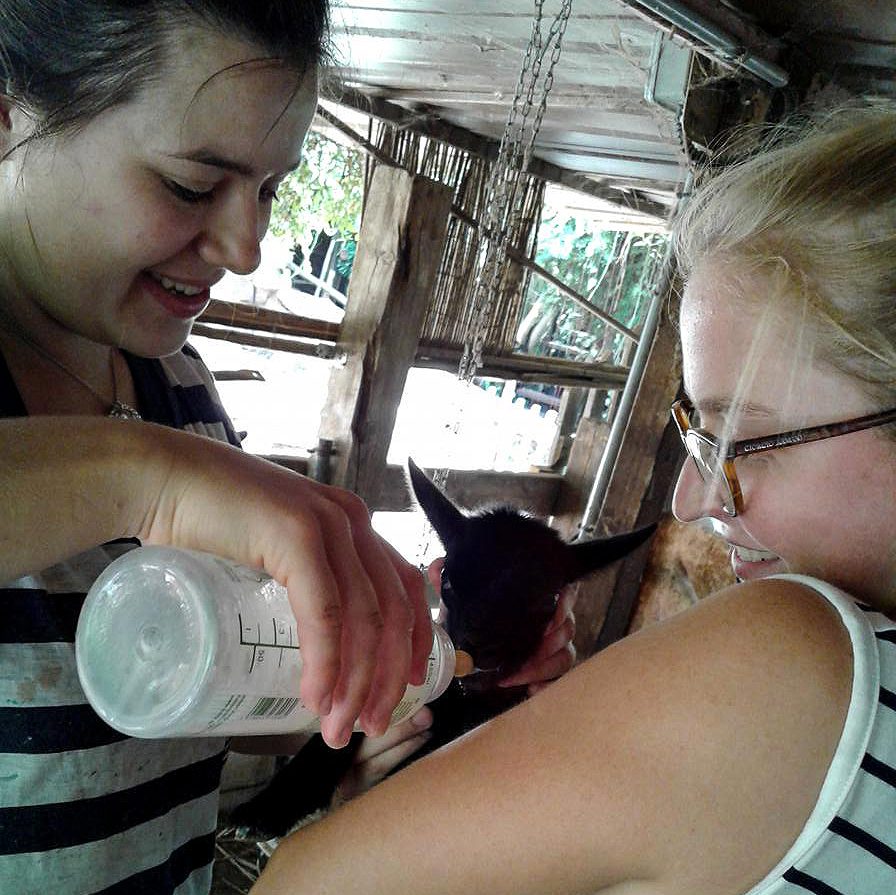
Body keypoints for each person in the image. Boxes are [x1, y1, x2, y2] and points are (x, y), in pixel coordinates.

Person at [0, 3, 576, 893]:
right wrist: (150, 478)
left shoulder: (175, 386)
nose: (246, 248)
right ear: (8, 111)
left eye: (269, 189)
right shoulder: (166, 452)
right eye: (193, 187)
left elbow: (215, 712)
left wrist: (371, 665)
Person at [251, 107, 896, 895]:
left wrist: (352, 822)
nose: (690, 498)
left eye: (738, 442)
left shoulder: (795, 655)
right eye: (696, 437)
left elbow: (298, 886)